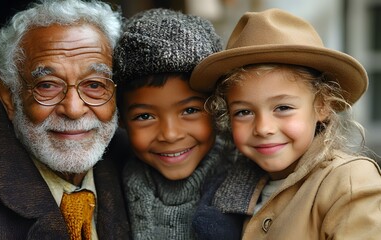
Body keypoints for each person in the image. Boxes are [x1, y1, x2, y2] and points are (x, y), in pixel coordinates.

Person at [190, 8, 381, 239]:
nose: (263, 128)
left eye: (283, 108)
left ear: (322, 105)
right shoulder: (229, 188)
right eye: (243, 112)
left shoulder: (349, 180)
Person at [0, 0, 131, 239]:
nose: (74, 109)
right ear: (8, 94)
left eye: (95, 85)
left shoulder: (135, 157)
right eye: (47, 85)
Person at [113, 8, 235, 239]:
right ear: (120, 120)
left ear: (217, 107)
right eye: (145, 116)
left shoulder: (247, 178)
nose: (170, 134)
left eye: (189, 110)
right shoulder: (111, 185)